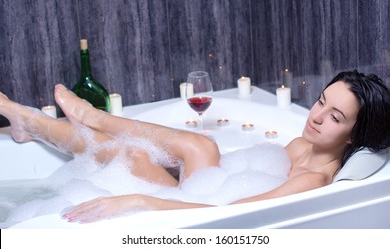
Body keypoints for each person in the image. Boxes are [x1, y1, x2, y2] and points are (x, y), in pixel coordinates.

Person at [0, 70, 389, 223]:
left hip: (207, 217)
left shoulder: (313, 179)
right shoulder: (301, 143)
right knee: (202, 149)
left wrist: (142, 200)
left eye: (335, 117)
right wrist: (174, 169)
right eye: (321, 101)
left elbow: (231, 213)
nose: (317, 116)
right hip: (207, 191)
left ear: (355, 135)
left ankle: (53, 121)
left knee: (140, 155)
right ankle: (64, 121)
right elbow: (235, 176)